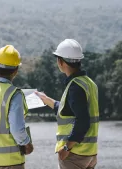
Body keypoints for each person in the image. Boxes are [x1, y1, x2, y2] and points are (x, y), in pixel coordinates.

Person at [35, 39, 99, 169]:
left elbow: (82, 120)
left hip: (75, 154)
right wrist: (47, 100)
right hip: (90, 153)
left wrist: (66, 148)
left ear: (60, 61)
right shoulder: (88, 83)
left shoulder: (75, 86)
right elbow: (68, 111)